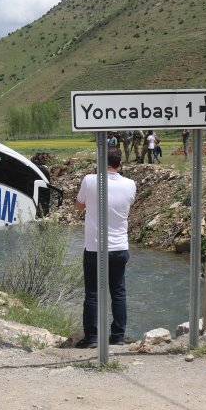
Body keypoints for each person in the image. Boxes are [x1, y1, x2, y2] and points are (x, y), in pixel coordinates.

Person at [74, 148, 137, 348]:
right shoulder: (130, 184)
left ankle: (91, 338)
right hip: (119, 247)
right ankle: (118, 336)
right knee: (118, 292)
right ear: (120, 164)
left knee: (92, 293)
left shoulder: (90, 180)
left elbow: (79, 206)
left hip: (94, 247)